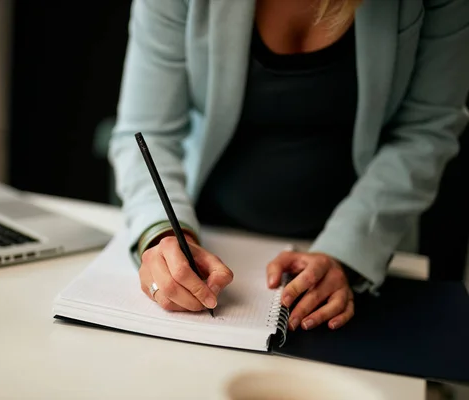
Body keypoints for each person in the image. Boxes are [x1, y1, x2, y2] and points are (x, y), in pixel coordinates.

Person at [108, 0, 469, 332]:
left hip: (364, 250)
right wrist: (163, 235)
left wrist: (346, 251)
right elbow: (147, 131)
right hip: (210, 239)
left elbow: (425, 132)